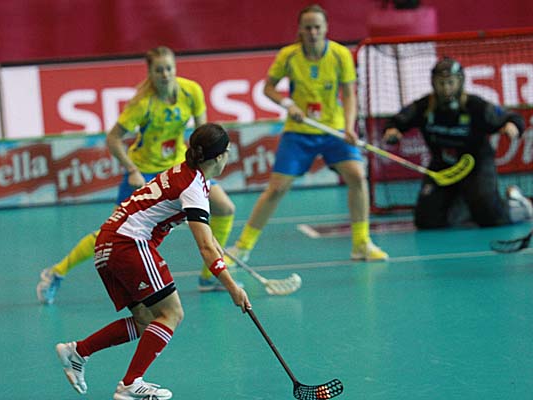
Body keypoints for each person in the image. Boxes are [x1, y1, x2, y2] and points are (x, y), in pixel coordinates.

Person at [55, 123, 251, 400]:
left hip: (107, 243)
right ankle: (130, 384)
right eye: (228, 151)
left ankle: (78, 351)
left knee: (146, 318)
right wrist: (233, 287)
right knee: (172, 313)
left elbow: (200, 231)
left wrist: (211, 240)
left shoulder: (184, 172)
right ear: (219, 157)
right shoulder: (194, 188)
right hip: (128, 243)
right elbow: (206, 248)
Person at [37, 46, 238, 304]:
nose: (165, 74)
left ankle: (208, 277)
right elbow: (113, 139)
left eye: (169, 68)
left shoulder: (191, 92)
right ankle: (56, 272)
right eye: (159, 70)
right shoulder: (142, 104)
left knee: (225, 208)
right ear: (150, 73)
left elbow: (203, 134)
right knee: (110, 232)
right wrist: (132, 170)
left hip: (182, 166)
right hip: (144, 171)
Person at [226, 4, 388, 264]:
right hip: (299, 132)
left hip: (333, 130)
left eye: (317, 27)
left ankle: (361, 244)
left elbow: (349, 95)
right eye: (308, 28)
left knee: (358, 176)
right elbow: (269, 88)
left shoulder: (340, 55)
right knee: (276, 189)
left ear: (326, 28)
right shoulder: (289, 56)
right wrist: (288, 104)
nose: (313, 32)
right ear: (300, 29)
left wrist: (349, 127)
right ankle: (242, 248)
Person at [383, 57, 532, 228]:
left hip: (476, 167)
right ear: (433, 83)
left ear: (460, 82)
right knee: (425, 221)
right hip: (442, 168)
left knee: (490, 218)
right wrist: (392, 130)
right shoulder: (424, 107)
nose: (446, 88)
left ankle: (517, 203)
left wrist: (511, 126)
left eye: (450, 83)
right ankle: (463, 206)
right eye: (441, 83)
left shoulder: (476, 106)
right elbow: (397, 121)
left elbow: (511, 117)